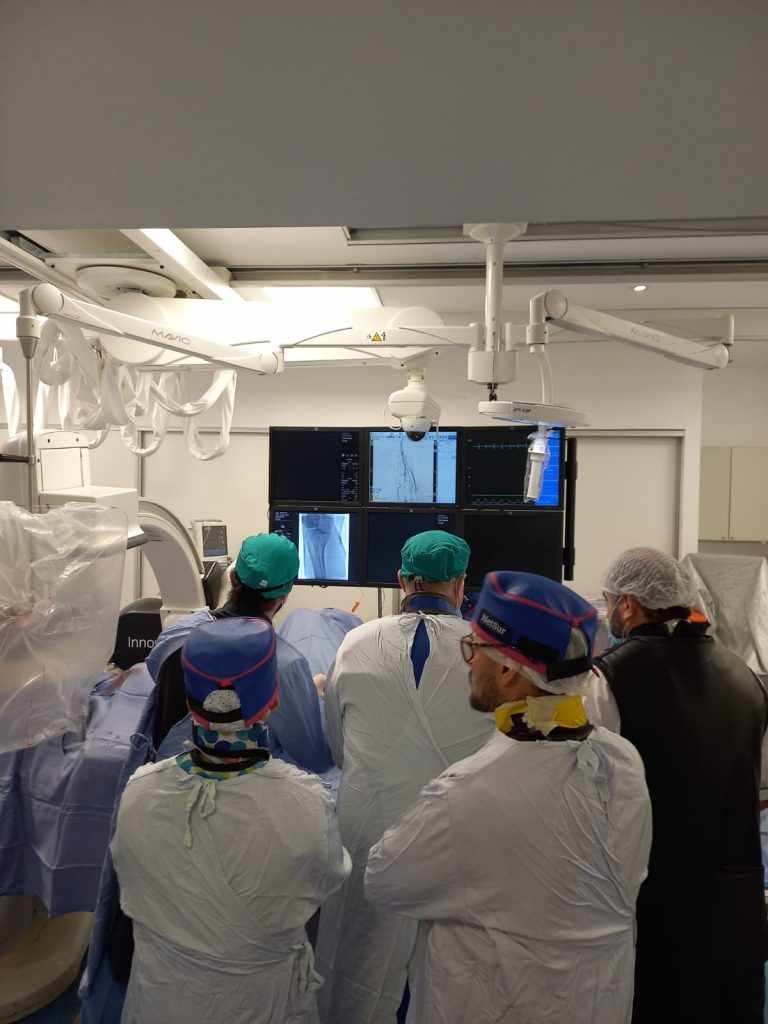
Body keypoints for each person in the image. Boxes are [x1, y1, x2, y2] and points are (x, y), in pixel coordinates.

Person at [365, 570, 652, 1024]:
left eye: (473, 648)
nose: (468, 662)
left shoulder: (471, 791)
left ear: (506, 669)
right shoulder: (624, 762)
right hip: (598, 1003)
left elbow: (384, 880)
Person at [111, 616, 351, 1024]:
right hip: (262, 1006)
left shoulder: (139, 794)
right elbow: (327, 880)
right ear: (274, 701)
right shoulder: (305, 805)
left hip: (160, 1002)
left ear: (190, 703)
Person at [315, 531, 495, 1024]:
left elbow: (337, 746)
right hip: (454, 833)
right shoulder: (486, 654)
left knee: (360, 962)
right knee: (451, 974)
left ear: (400, 580)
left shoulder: (355, 644)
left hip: (371, 826)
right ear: (461, 584)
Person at [595, 546, 768, 1024]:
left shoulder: (609, 678)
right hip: (736, 911)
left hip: (655, 903)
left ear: (628, 603)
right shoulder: (746, 678)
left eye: (609, 601)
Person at [146, 532, 335, 774]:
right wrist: (311, 694)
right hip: (239, 782)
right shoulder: (285, 664)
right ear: (284, 596)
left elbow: (157, 672)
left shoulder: (176, 634)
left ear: (233, 576)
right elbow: (316, 758)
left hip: (167, 774)